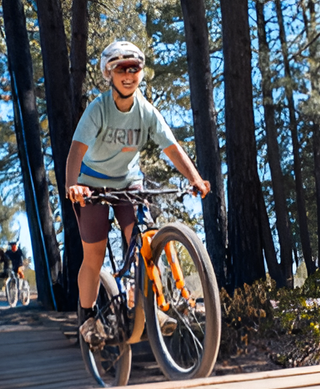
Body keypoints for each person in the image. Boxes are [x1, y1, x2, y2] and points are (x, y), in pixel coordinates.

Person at [63, 40, 211, 343]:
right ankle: (88, 319)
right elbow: (76, 151)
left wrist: (196, 178)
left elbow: (172, 148)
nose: (128, 74)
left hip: (129, 184)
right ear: (109, 73)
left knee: (144, 239)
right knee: (94, 255)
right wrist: (72, 185)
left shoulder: (146, 112)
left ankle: (154, 305)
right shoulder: (98, 110)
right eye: (121, 69)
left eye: (134, 68)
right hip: (92, 184)